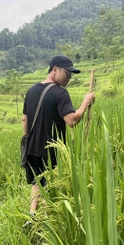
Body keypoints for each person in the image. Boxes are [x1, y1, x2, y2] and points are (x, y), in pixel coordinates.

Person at [22, 55, 95, 226]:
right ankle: (50, 221)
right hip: (51, 148)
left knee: (37, 181)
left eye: (71, 74)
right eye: (67, 73)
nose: (69, 77)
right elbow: (71, 121)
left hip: (31, 147)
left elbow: (24, 119)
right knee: (51, 183)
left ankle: (32, 215)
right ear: (55, 69)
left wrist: (28, 140)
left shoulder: (31, 90)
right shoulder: (60, 93)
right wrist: (85, 103)